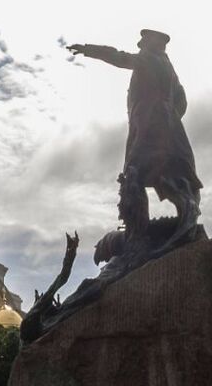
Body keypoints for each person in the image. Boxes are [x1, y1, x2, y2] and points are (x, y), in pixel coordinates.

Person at [67, 30, 201, 238]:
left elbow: (119, 57)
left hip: (148, 122)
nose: (141, 45)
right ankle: (170, 217)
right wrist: (171, 117)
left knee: (134, 172)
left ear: (155, 43)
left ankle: (136, 230)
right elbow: (182, 101)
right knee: (170, 167)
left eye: (145, 41)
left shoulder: (148, 59)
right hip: (166, 123)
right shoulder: (170, 70)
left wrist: (88, 50)